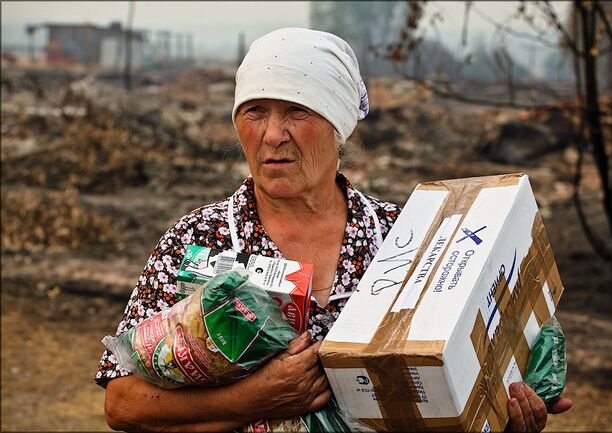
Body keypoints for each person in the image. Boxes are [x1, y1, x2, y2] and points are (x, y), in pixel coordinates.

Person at [96, 27, 571, 432]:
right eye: (255, 111)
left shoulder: (405, 237)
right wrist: (255, 398)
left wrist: (504, 413)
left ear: (339, 125)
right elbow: (122, 404)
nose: (272, 134)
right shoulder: (201, 239)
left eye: (297, 111)